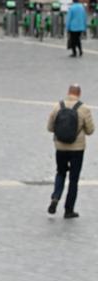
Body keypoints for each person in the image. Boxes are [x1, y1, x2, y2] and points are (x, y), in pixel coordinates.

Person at [47, 84, 95, 218]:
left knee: (60, 172)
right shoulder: (84, 109)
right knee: (74, 179)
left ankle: (55, 197)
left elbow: (50, 127)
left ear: (68, 92)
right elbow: (90, 130)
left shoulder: (58, 106)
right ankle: (69, 210)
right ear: (79, 93)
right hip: (77, 149)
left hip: (60, 147)